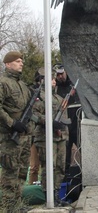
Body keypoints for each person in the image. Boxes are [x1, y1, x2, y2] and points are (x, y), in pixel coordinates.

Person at [0, 51, 34, 211]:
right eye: (18, 61)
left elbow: (31, 109)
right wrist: (12, 123)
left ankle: (17, 204)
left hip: (24, 137)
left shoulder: (23, 85)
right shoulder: (3, 82)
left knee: (21, 172)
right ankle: (8, 207)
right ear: (8, 64)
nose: (21, 63)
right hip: (9, 137)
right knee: (10, 174)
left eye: (22, 61)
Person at [32, 67, 69, 206]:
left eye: (54, 79)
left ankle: (57, 195)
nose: (54, 81)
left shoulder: (58, 98)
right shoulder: (38, 96)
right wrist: (49, 122)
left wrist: (62, 130)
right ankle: (48, 196)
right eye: (51, 79)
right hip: (45, 136)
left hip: (60, 137)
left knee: (60, 167)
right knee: (49, 167)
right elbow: (34, 115)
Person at [53, 63, 81, 173]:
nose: (60, 77)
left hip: (76, 123)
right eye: (58, 75)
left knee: (81, 150)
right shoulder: (55, 88)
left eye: (62, 74)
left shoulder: (74, 85)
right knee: (64, 156)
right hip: (63, 126)